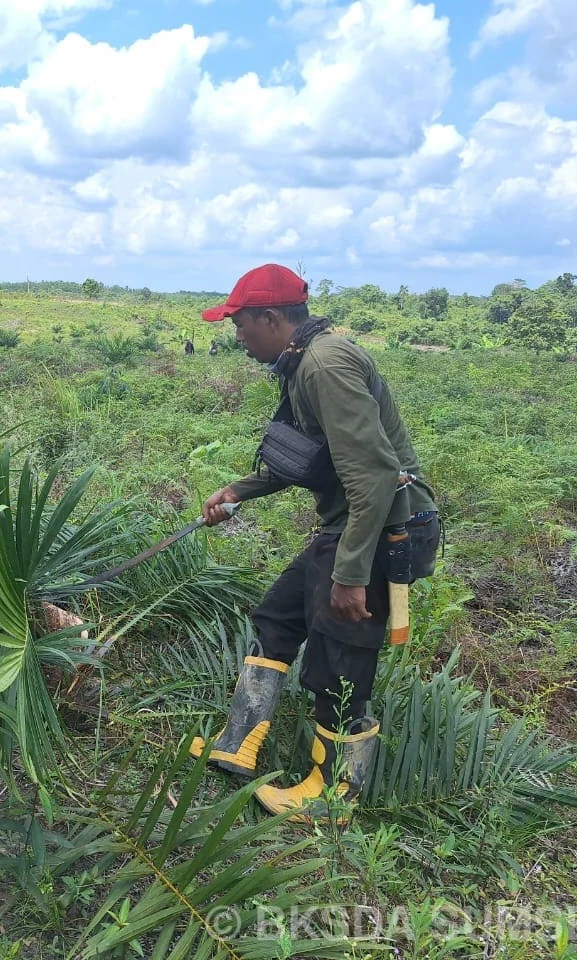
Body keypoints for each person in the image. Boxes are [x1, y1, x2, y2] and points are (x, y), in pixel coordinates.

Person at [189, 263, 440, 824]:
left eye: (239, 324)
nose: (237, 336)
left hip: (375, 529)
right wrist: (240, 490)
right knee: (277, 618)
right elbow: (306, 456)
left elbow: (375, 476)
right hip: (348, 525)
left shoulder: (325, 365)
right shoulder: (301, 362)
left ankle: (334, 795)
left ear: (272, 317)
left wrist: (351, 573)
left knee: (341, 656)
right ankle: (238, 743)